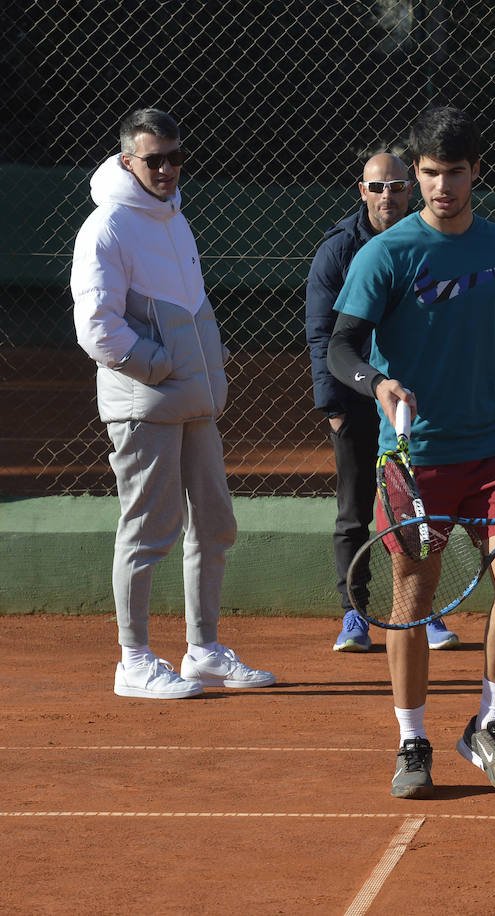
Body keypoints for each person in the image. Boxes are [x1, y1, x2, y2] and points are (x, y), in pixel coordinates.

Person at [327, 105, 495, 799]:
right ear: (417, 172)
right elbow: (340, 345)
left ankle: (489, 727)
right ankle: (412, 741)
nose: (441, 187)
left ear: (476, 173)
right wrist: (376, 384)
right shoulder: (387, 253)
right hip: (416, 458)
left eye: (454, 174)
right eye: (429, 174)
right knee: (413, 596)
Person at [71, 108, 274, 699]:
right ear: (128, 161)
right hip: (144, 403)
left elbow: (189, 307)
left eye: (174, 157)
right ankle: (133, 660)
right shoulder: (106, 227)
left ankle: (204, 651)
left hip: (192, 399)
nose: (166, 168)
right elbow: (97, 328)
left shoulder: (174, 219)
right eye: (153, 159)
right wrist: (161, 366)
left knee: (214, 524)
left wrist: (205, 360)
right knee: (148, 529)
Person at [305, 152, 459, 653]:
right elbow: (322, 333)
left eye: (396, 186)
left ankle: (421, 610)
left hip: (412, 401)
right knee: (354, 509)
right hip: (354, 398)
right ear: (361, 190)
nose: (387, 196)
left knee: (416, 504)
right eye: (377, 187)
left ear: (409, 188)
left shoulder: (429, 240)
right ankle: (354, 614)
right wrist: (332, 404)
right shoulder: (338, 250)